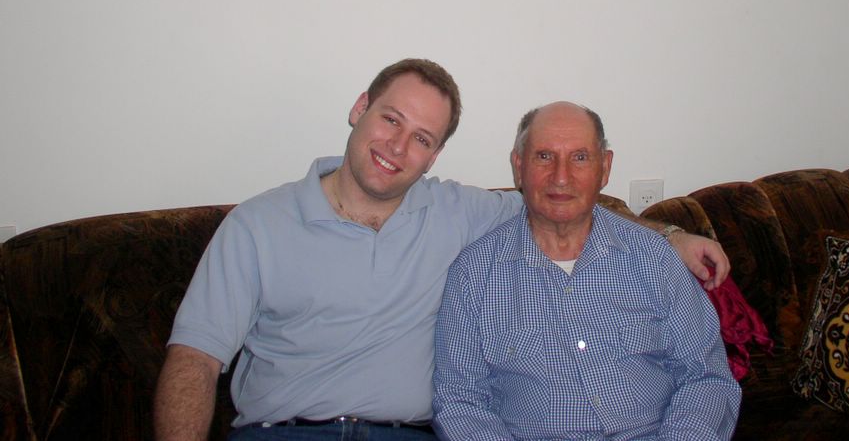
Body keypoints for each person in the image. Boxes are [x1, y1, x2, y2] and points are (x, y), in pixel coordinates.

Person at [154, 60, 730, 440]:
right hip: (285, 434)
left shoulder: (459, 213)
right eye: (390, 119)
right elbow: (193, 363)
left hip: (403, 436)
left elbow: (565, 205)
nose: (397, 146)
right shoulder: (256, 226)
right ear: (359, 108)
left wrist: (671, 235)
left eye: (422, 138)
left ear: (433, 157)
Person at [432, 102, 741, 441]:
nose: (561, 177)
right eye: (544, 157)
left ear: (605, 168)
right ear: (519, 167)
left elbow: (706, 377)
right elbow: (460, 402)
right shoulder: (474, 276)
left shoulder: (655, 259)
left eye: (579, 157)